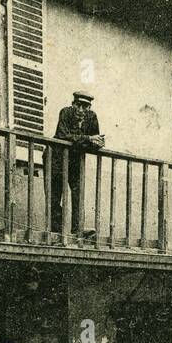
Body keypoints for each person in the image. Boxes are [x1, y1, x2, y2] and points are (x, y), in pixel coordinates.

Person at [50, 90, 104, 237]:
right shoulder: (65, 112)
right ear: (73, 104)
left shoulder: (92, 117)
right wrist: (87, 139)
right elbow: (63, 135)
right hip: (56, 158)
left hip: (75, 160)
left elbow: (95, 142)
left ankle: (77, 230)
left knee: (78, 194)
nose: (81, 109)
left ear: (89, 107)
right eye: (78, 105)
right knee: (55, 194)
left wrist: (95, 142)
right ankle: (55, 231)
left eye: (84, 106)